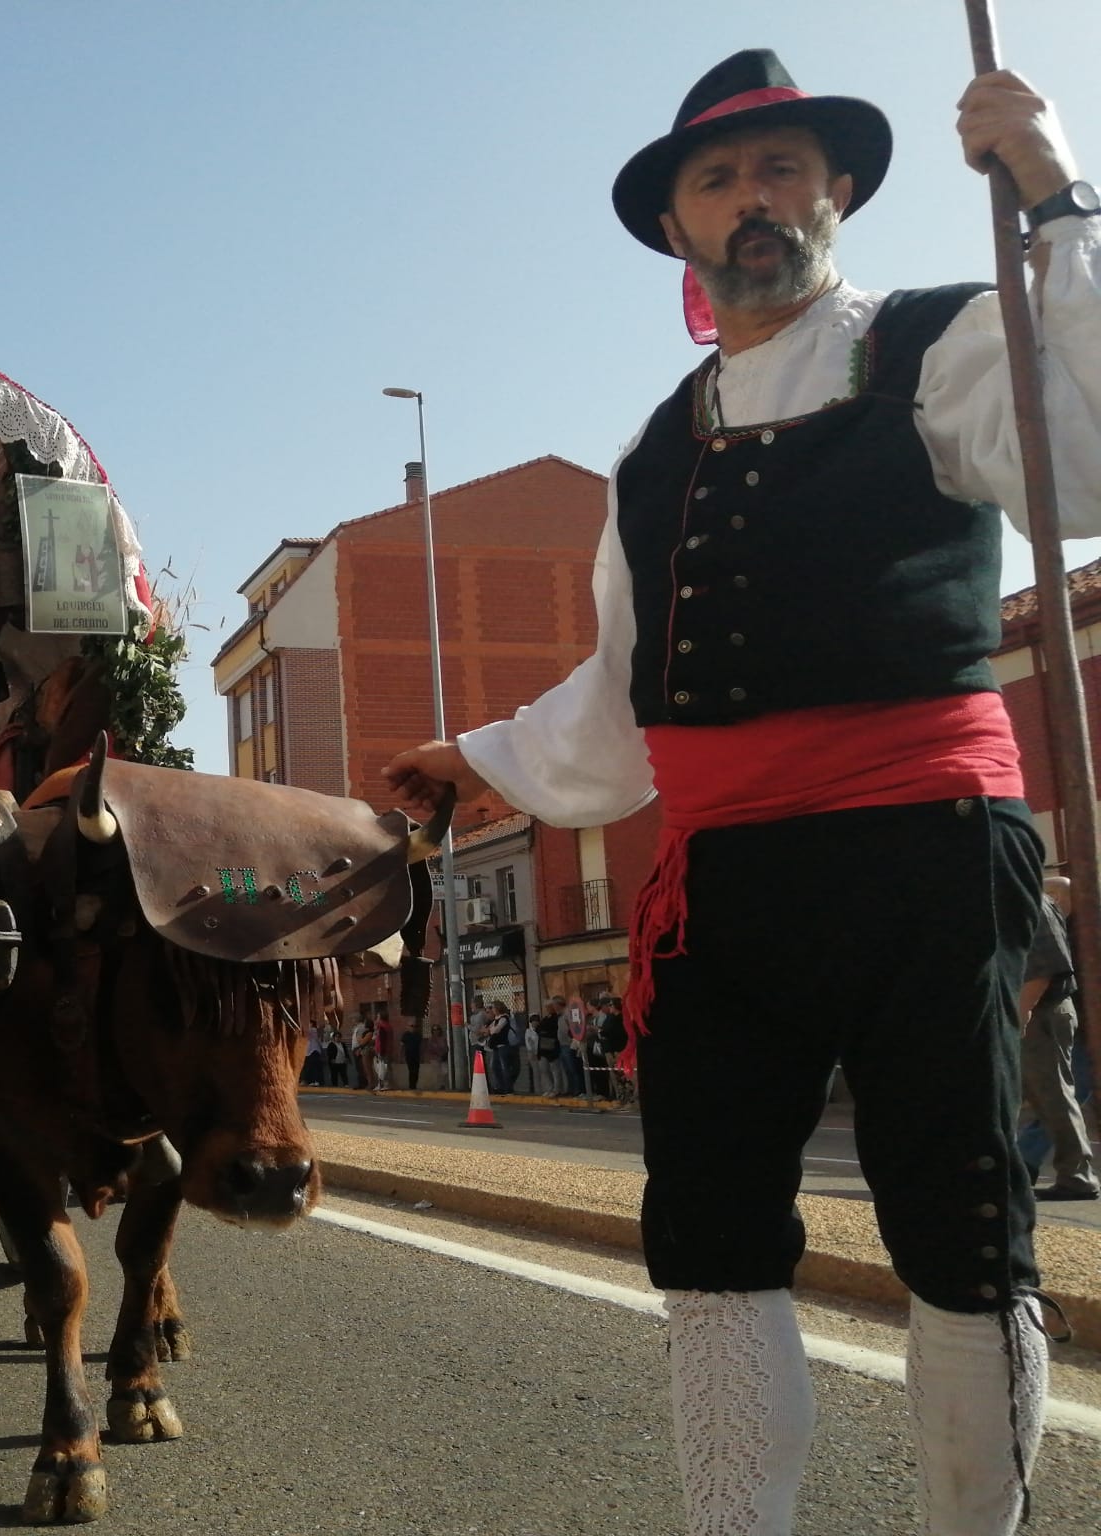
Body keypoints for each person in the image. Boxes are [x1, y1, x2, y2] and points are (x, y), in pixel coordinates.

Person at [382, 50, 1101, 1535]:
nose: (753, 200)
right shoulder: (653, 448)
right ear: (680, 231)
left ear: (835, 190)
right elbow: (623, 689)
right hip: (726, 883)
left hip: (926, 849)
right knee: (709, 1240)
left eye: (781, 168)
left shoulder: (942, 342)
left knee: (963, 1232)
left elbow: (1087, 452)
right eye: (719, 180)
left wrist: (1058, 200)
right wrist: (479, 757)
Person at [1018, 876, 1098, 1200]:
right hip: (1049, 1013)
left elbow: (1043, 970)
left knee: (1055, 1094)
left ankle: (1076, 1177)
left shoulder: (1036, 907)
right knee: (1050, 1095)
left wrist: (1020, 1012)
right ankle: (1041, 1168)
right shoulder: (1045, 910)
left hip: (1045, 1013)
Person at [531, 998, 565, 1097]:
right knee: (544, 1069)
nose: (547, 1009)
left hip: (552, 1047)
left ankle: (557, 1089)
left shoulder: (557, 1018)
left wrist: (543, 1031)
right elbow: (538, 1029)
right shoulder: (545, 1019)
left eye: (549, 1007)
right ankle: (549, 1088)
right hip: (542, 1048)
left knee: (555, 1069)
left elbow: (553, 1031)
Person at [400, 1019, 424, 1092]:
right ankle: (411, 1086)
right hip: (409, 1055)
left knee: (416, 1070)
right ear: (408, 1027)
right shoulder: (405, 1035)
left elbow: (421, 1046)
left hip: (416, 1055)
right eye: (412, 1026)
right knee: (411, 1070)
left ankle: (414, 1085)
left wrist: (422, 1056)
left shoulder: (418, 1035)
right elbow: (402, 1046)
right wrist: (401, 1056)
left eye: (415, 1026)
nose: (413, 1027)